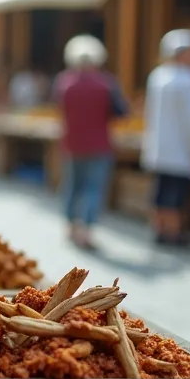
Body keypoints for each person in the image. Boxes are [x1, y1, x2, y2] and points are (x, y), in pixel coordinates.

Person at [55, 35, 128, 250]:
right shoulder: (106, 84)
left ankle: (70, 225)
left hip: (72, 142)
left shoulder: (64, 82)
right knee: (93, 188)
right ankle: (85, 231)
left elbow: (60, 108)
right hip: (99, 144)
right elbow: (121, 111)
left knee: (72, 185)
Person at [142, 29, 190, 246]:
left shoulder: (158, 76)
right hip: (181, 148)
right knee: (176, 194)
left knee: (161, 191)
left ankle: (159, 228)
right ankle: (172, 232)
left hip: (159, 146)